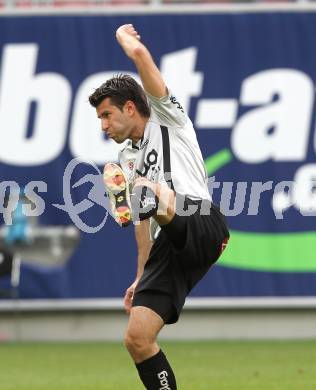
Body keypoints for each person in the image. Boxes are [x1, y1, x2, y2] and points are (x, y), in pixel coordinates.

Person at [89, 24, 229, 390]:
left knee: (147, 189)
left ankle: (141, 198)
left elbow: (142, 59)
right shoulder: (125, 156)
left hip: (200, 222)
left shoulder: (169, 119)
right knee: (137, 338)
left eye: (106, 115)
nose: (103, 125)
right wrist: (140, 275)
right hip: (167, 240)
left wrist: (126, 40)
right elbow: (141, 226)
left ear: (130, 107)